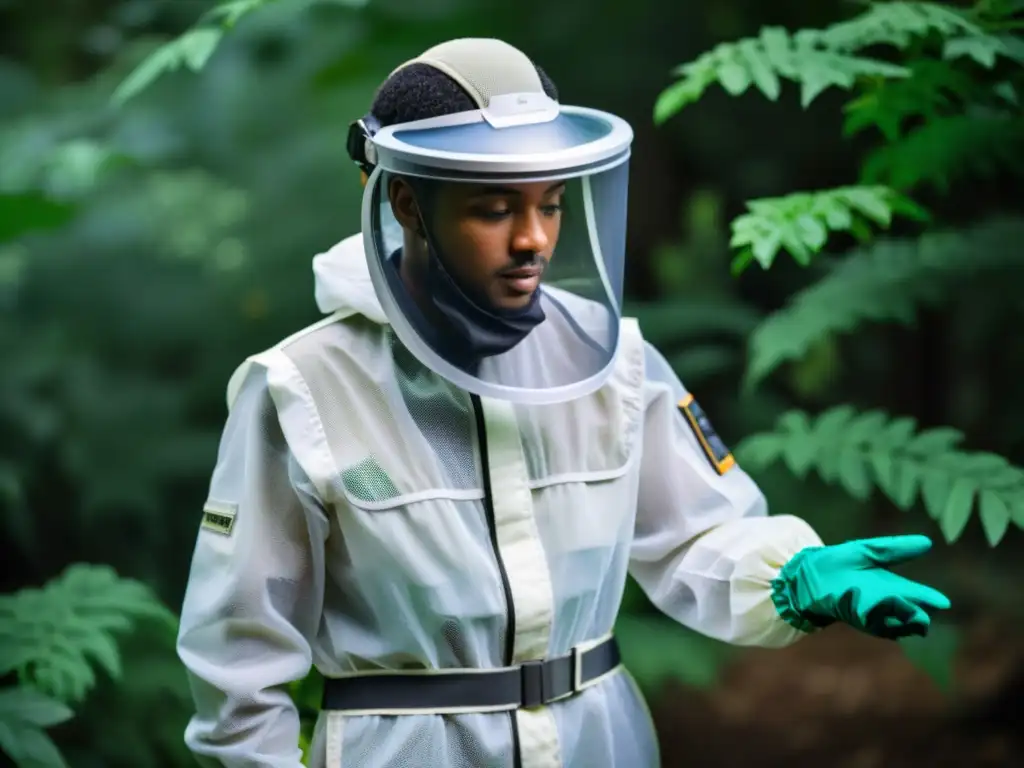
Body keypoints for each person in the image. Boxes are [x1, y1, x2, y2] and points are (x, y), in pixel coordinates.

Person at [176, 38, 951, 768]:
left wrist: (796, 576)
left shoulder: (610, 359)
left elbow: (694, 538)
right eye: (494, 209)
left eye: (549, 204)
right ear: (407, 204)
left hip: (601, 742)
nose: (533, 240)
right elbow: (238, 670)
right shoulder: (301, 390)